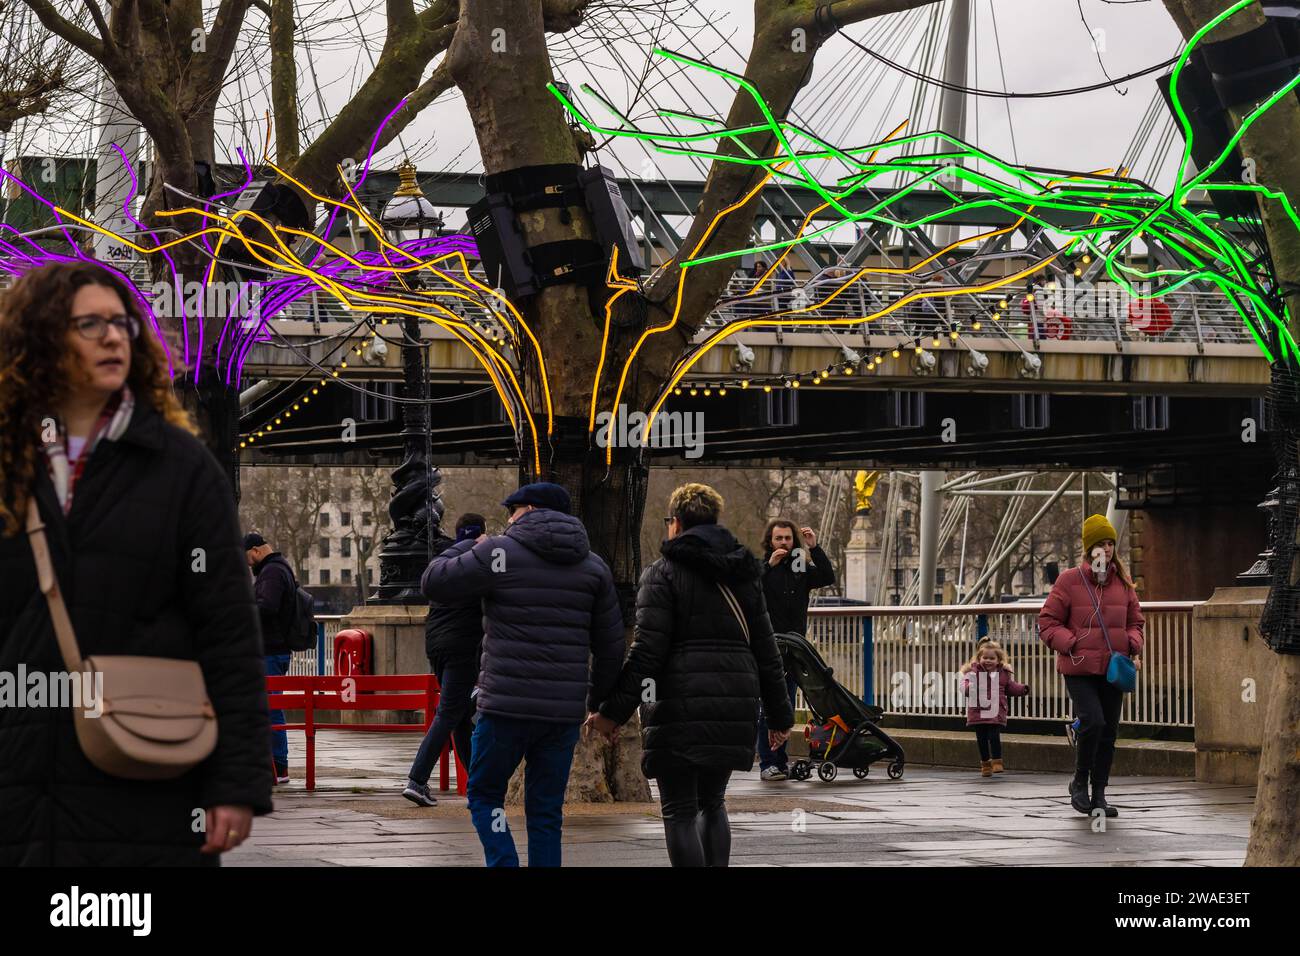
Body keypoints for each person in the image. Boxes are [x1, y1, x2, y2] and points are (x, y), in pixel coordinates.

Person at [0, 261, 272, 865]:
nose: (114, 336)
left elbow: (228, 631)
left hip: (145, 779)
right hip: (15, 781)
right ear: (40, 338)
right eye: (89, 324)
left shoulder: (181, 466)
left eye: (122, 322)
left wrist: (237, 782)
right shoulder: (9, 458)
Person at [585, 483, 793, 866]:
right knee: (713, 803)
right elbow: (767, 651)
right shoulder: (746, 575)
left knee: (679, 809)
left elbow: (646, 655)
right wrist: (781, 717)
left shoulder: (661, 575)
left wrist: (611, 712)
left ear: (676, 523)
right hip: (734, 704)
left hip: (678, 707)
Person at [421, 483, 623, 866]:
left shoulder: (500, 551)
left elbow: (434, 582)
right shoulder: (594, 566)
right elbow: (611, 647)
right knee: (546, 811)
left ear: (528, 509)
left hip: (505, 709)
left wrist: (469, 544)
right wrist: (599, 705)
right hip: (562, 714)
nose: (509, 519)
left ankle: (504, 861)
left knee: (485, 796)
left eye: (512, 511)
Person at [1038, 514, 1144, 817]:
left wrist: (1132, 643)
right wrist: (1070, 643)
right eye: (1100, 544)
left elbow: (1136, 622)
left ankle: (1099, 794)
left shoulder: (1123, 583)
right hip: (1080, 667)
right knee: (1094, 721)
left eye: (1110, 543)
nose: (1106, 549)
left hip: (1113, 668)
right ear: (1089, 549)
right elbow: (1047, 622)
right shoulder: (1070, 580)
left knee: (1109, 731)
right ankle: (1080, 781)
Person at [402, 512, 487, 808]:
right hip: (463, 646)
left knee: (460, 716)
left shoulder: (444, 564)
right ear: (482, 534)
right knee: (450, 714)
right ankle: (417, 779)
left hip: (436, 645)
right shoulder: (480, 561)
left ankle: (477, 783)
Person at [756, 518, 835, 780]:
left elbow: (826, 576)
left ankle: (780, 761)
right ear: (770, 541)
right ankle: (768, 762)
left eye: (788, 539)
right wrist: (769, 566)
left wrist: (815, 547)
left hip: (795, 647)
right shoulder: (762, 567)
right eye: (779, 539)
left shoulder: (800, 566)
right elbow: (749, 589)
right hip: (769, 646)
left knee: (786, 704)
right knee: (769, 705)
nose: (784, 543)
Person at [245, 531, 297, 784]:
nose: (247, 563)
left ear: (256, 550)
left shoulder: (272, 572)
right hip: (273, 650)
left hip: (271, 651)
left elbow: (266, 607)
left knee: (271, 708)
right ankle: (272, 763)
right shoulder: (277, 568)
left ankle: (278, 766)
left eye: (247, 557)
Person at [960, 639, 1028, 776]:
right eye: (985, 658)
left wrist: (1022, 689)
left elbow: (1009, 686)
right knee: (982, 739)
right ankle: (985, 764)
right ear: (979, 658)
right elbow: (964, 687)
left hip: (995, 711)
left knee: (994, 735)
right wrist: (970, 688)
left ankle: (997, 761)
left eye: (992, 658)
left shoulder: (1003, 673)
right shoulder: (973, 672)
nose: (988, 661)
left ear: (998, 660)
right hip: (978, 711)